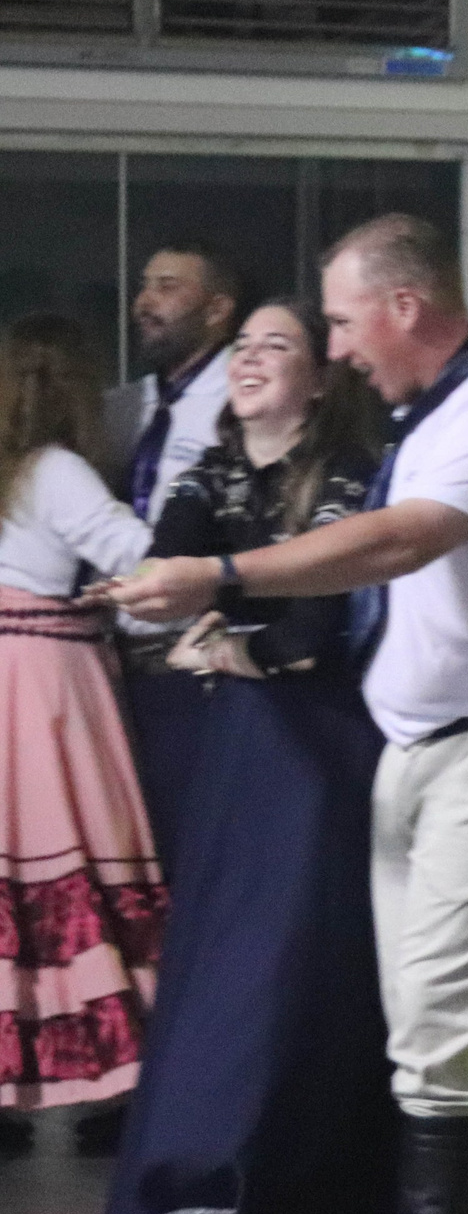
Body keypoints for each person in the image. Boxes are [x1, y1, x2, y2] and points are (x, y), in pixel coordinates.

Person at [102, 212, 468, 1214]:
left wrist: (219, 574)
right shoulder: (427, 412)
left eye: (338, 321)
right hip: (432, 744)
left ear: (402, 306)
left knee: (439, 1031)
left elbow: (401, 543)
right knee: (451, 1026)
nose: (335, 348)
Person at [85, 298, 400, 1214]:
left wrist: (227, 633)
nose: (251, 362)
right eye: (244, 348)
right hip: (237, 758)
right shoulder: (210, 475)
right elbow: (155, 592)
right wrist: (200, 617)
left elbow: (315, 628)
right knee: (220, 980)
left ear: (319, 376)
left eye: (278, 347)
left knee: (301, 981)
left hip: (323, 753)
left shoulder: (352, 478)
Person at [0, 315, 164, 1150]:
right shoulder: (55, 470)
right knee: (83, 861)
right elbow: (138, 553)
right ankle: (117, 1081)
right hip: (43, 680)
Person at [108, 241, 248, 862]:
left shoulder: (238, 401)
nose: (145, 302)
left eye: (168, 285)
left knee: (197, 845)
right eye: (144, 285)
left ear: (218, 307)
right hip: (118, 660)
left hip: (200, 660)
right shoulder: (124, 407)